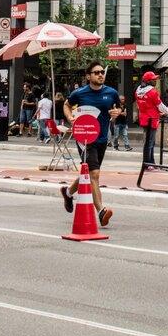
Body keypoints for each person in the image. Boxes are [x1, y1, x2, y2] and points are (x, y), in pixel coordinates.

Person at [61, 63, 121, 227]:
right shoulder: (79, 93)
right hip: (85, 138)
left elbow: (119, 108)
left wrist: (117, 112)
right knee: (94, 174)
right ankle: (101, 211)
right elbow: (66, 105)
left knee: (88, 173)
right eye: (96, 72)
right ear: (88, 76)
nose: (101, 75)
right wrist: (70, 118)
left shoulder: (111, 93)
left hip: (102, 138)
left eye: (102, 72)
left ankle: (68, 192)